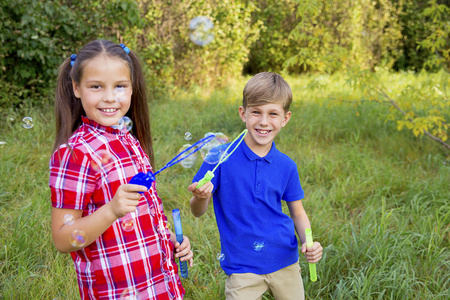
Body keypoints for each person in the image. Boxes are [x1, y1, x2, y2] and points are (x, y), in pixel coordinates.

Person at [49, 40, 193, 300]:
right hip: (117, 292)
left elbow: (141, 218)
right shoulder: (75, 154)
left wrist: (170, 240)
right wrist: (111, 210)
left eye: (120, 86)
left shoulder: (129, 140)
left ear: (131, 88)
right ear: (76, 88)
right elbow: (62, 239)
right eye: (96, 86)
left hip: (159, 287)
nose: (109, 97)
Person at [188, 72, 323, 300]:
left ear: (285, 118)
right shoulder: (221, 157)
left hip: (285, 260)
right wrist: (201, 197)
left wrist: (308, 243)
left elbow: (297, 212)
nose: (263, 121)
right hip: (242, 267)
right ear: (243, 113)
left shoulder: (286, 166)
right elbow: (197, 211)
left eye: (273, 114)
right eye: (256, 112)